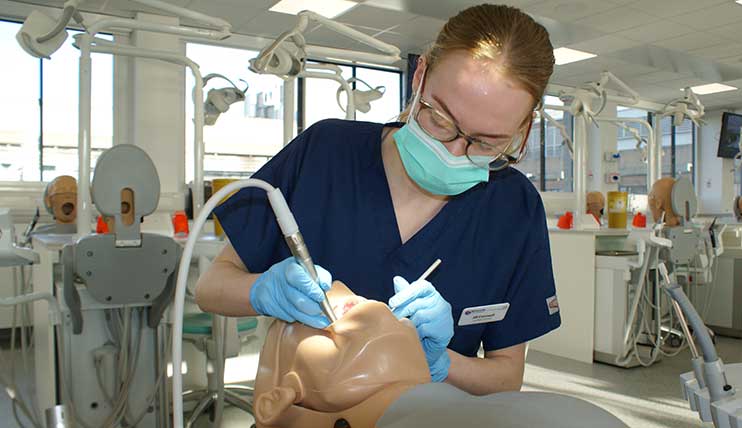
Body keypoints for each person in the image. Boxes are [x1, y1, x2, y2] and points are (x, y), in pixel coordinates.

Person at [195, 3, 560, 395]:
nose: (453, 153)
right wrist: (263, 291)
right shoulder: (325, 153)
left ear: (524, 129)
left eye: (486, 143)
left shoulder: (514, 208)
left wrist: (440, 361)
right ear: (419, 75)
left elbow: (506, 377)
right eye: (440, 119)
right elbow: (210, 287)